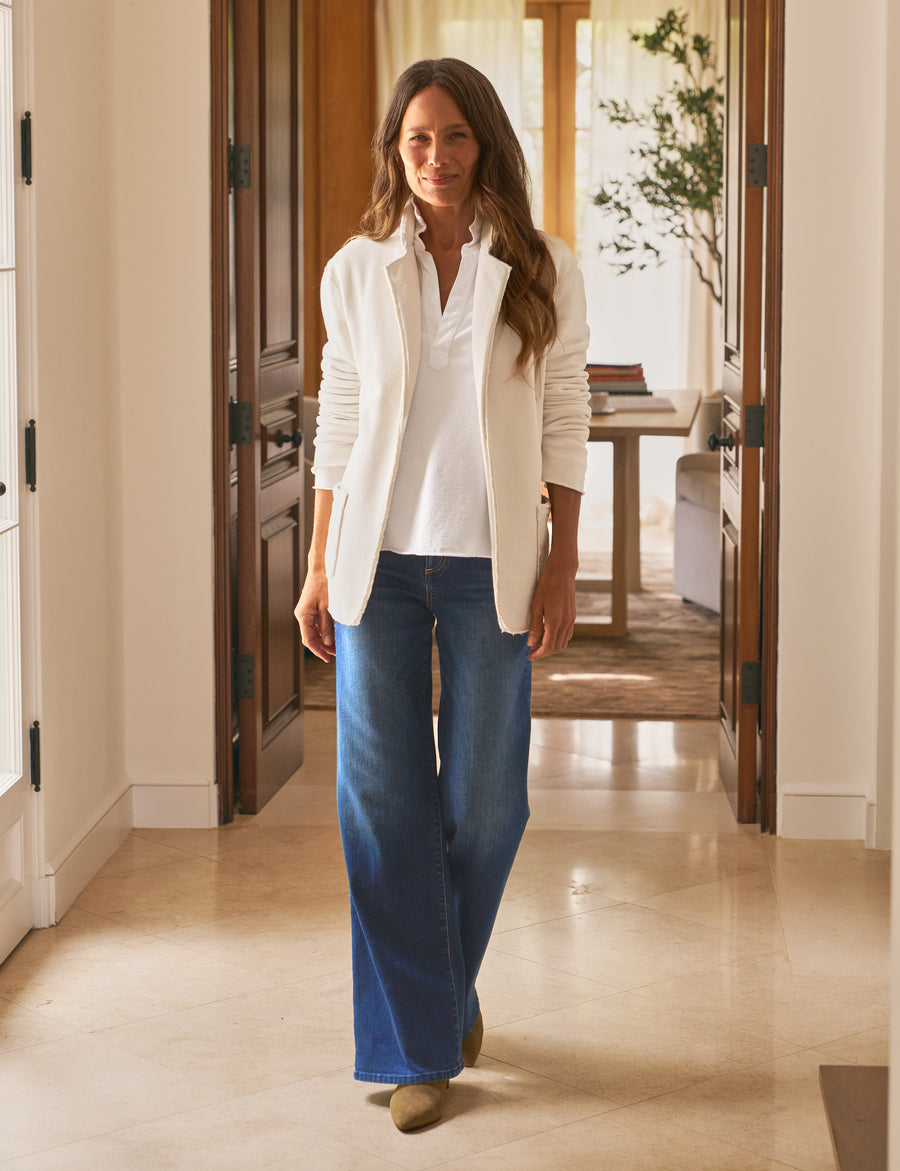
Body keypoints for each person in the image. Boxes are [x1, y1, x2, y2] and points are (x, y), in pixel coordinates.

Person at [295, 57, 590, 1132]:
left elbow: (564, 415)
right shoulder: (357, 270)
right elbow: (339, 419)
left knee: (487, 802)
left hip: (488, 566)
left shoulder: (544, 264)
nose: (436, 157)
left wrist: (562, 559)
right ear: (395, 152)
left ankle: (440, 989)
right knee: (380, 806)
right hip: (379, 562)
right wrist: (323, 561)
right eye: (417, 139)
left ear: (487, 144)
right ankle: (419, 1047)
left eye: (455, 136)